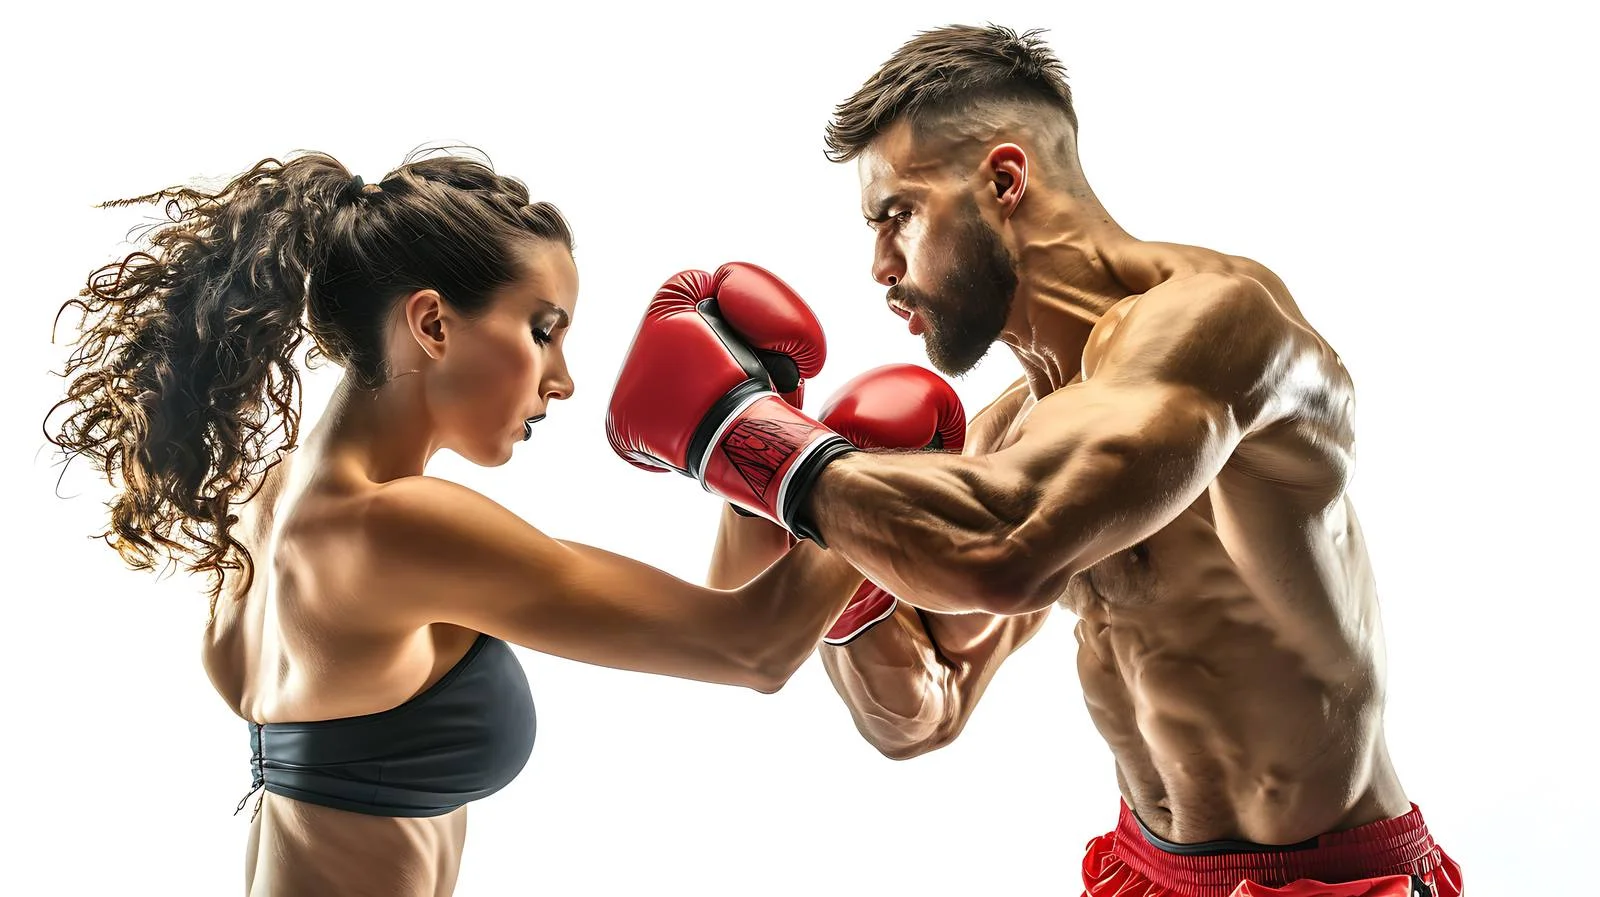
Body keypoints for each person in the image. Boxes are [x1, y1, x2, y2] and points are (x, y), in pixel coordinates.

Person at [605, 24, 1462, 897]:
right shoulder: (1015, 434)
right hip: (1145, 869)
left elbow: (1005, 541)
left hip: (1329, 880)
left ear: (1004, 180)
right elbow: (920, 711)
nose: (879, 266)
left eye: (897, 214)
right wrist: (798, 511)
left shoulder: (1223, 327)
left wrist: (740, 433)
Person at [44, 149, 866, 897]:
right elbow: (753, 646)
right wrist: (864, 467)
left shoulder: (267, 498)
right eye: (542, 331)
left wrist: (749, 449)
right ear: (433, 324)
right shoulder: (392, 527)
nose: (563, 380)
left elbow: (729, 615)